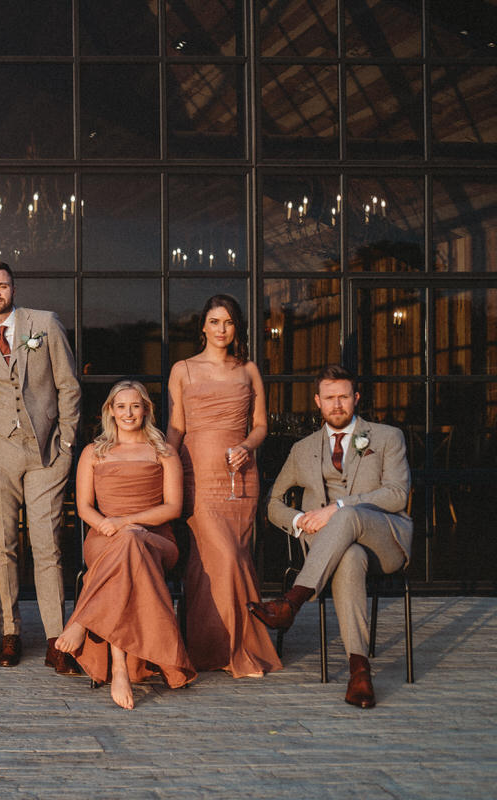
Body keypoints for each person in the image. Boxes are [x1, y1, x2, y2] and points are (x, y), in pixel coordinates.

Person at [250, 365, 412, 708]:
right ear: (317, 402)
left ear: (355, 398)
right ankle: (359, 670)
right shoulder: (302, 448)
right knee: (349, 557)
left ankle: (291, 602)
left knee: (348, 514)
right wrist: (298, 521)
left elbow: (397, 494)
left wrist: (337, 506)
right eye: (329, 398)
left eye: (343, 397)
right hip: (335, 549)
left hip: (383, 540)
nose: (337, 405)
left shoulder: (386, 437)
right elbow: (273, 503)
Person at [0, 261, 81, 672]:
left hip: (46, 451)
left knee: (47, 546)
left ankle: (56, 638)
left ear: (13, 288)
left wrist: (65, 444)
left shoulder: (44, 323)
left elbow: (68, 385)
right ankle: (9, 633)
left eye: (2, 286)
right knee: (2, 544)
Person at [54, 382, 196, 709]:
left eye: (135, 406)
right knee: (125, 548)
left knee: (130, 539)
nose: (128, 413)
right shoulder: (94, 452)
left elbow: (173, 508)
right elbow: (84, 506)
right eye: (121, 407)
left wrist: (125, 522)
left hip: (156, 539)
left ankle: (84, 621)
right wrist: (109, 525)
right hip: (104, 539)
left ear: (145, 409)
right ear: (110, 411)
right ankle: (118, 667)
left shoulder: (163, 451)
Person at [166, 294, 281, 678]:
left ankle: (221, 648)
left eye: (228, 323)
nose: (221, 329)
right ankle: (222, 648)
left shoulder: (248, 370)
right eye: (214, 322)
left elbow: (261, 424)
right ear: (203, 326)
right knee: (220, 557)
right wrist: (166, 468)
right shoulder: (182, 369)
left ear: (237, 329)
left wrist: (247, 447)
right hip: (197, 475)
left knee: (227, 559)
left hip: (240, 479)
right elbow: (177, 426)